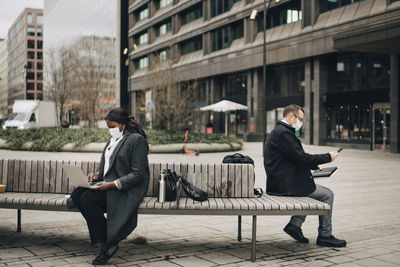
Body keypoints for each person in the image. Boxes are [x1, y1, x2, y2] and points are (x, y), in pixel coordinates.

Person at [67, 107, 150, 265]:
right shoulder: (111, 141)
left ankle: (105, 244)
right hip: (109, 185)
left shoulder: (137, 140)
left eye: (112, 127)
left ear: (122, 124)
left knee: (87, 200)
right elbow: (108, 167)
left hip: (127, 188)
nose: (110, 130)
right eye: (108, 127)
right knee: (82, 196)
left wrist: (112, 184)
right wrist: (97, 175)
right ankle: (107, 237)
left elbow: (138, 174)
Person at [264, 104, 346, 247]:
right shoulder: (283, 133)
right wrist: (327, 156)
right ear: (291, 116)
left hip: (282, 181)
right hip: (285, 185)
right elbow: (301, 157)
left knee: (308, 190)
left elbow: (295, 157)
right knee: (327, 195)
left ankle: (295, 225)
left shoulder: (281, 131)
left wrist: (315, 165)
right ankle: (325, 235)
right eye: (300, 119)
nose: (301, 123)